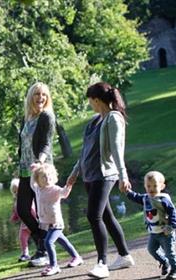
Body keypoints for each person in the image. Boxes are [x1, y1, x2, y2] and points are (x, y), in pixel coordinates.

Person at [66, 82, 134, 278]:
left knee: (93, 216)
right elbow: (85, 151)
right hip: (89, 175)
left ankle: (102, 263)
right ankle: (124, 256)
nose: (90, 105)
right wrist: (74, 173)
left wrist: (123, 175)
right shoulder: (94, 121)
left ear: (96, 100)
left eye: (90, 101)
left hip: (105, 174)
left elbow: (116, 148)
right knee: (106, 216)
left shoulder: (113, 118)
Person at [17, 82, 56, 266]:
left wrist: (40, 161)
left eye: (43, 95)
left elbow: (47, 143)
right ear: (30, 97)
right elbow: (22, 144)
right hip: (25, 170)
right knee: (23, 209)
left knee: (43, 212)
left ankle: (43, 250)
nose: (40, 98)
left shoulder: (47, 116)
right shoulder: (26, 118)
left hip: (40, 171)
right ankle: (42, 239)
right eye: (36, 94)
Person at [30, 163, 83, 276]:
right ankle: (76, 257)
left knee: (48, 242)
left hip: (56, 223)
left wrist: (69, 185)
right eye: (43, 176)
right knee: (63, 241)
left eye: (49, 175)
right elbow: (32, 183)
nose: (47, 178)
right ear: (38, 180)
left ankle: (54, 266)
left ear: (54, 177)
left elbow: (64, 193)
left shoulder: (55, 189)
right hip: (46, 223)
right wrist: (33, 171)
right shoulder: (38, 189)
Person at [124, 171, 176, 280]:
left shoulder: (163, 199)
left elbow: (173, 212)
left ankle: (174, 270)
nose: (151, 189)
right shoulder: (145, 198)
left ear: (162, 186)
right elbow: (136, 197)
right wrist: (127, 191)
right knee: (152, 249)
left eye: (155, 186)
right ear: (145, 186)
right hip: (153, 232)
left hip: (165, 232)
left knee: (170, 253)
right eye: (148, 186)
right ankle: (164, 262)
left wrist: (171, 226)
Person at [10, 178, 36, 262]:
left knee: (37, 237)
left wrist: (35, 217)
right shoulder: (16, 201)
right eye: (14, 191)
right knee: (22, 238)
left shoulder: (27, 199)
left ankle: (41, 250)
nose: (16, 193)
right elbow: (16, 210)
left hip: (32, 222)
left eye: (18, 191)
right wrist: (14, 217)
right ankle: (25, 253)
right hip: (24, 223)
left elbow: (32, 209)